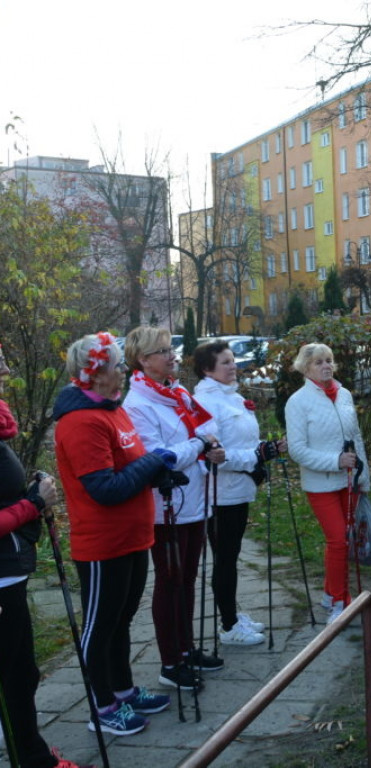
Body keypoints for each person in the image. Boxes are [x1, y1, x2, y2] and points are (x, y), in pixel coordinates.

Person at [53, 333, 176, 736]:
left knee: (122, 619)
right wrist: (153, 462)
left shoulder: (113, 410)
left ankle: (123, 690)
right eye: (118, 364)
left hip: (133, 537)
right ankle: (101, 706)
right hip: (102, 543)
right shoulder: (80, 422)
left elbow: (133, 462)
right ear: (97, 373)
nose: (125, 369)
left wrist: (160, 471)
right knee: (100, 624)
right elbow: (106, 489)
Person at [0, 342, 92, 767]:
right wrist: (33, 505)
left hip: (10, 570)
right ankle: (33, 760)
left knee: (22, 673)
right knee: (12, 679)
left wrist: (28, 489)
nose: (5, 368)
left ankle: (32, 753)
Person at [123, 326, 226, 691]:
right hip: (163, 507)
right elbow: (158, 459)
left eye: (171, 349)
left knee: (188, 578)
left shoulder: (177, 393)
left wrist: (210, 446)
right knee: (169, 582)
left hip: (195, 500)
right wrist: (198, 445)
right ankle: (170, 661)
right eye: (163, 351)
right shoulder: (137, 405)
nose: (172, 356)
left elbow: (207, 428)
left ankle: (187, 649)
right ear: (142, 360)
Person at [193, 341, 286, 643]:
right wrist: (260, 455)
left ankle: (231, 615)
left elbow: (244, 444)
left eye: (233, 360)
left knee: (230, 557)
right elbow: (217, 454)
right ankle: (229, 626)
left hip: (238, 490)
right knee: (224, 559)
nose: (233, 366)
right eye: (225, 362)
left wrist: (263, 451)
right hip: (220, 494)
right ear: (207, 369)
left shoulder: (230, 396)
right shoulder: (206, 402)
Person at [284, 343, 370, 623]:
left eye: (329, 360)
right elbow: (297, 450)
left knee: (346, 539)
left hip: (350, 481)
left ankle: (330, 592)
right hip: (321, 484)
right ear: (305, 367)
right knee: (338, 540)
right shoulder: (297, 402)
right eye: (319, 362)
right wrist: (335, 461)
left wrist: (363, 477)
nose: (326, 366)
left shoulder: (343, 394)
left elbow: (356, 438)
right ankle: (338, 603)